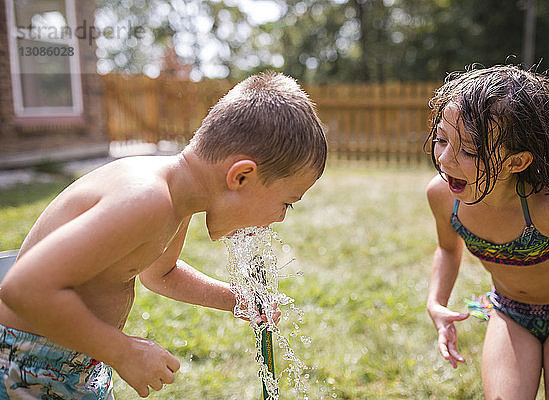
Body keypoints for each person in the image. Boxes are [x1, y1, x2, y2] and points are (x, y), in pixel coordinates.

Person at [0, 71, 327, 399]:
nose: (280, 218)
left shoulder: (178, 199)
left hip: (76, 358)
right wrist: (123, 352)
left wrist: (236, 299)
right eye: (286, 203)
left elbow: (161, 275)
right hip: (26, 362)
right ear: (241, 176)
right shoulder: (149, 199)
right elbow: (22, 288)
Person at [425, 65, 549, 399]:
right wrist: (436, 302)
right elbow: (448, 249)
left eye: (468, 150)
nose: (445, 159)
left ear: (516, 162)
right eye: (441, 139)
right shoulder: (443, 196)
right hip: (509, 313)